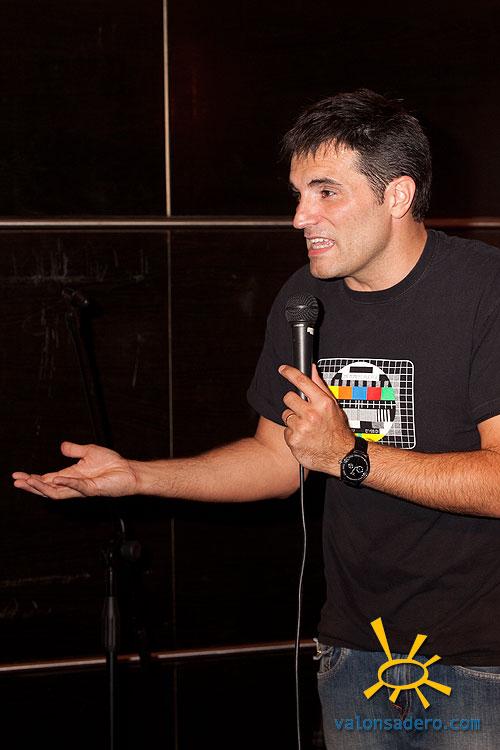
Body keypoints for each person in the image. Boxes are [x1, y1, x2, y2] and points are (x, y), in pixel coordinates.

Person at [13, 89, 500, 748]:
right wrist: (138, 476)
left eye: (326, 193)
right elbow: (277, 459)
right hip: (357, 651)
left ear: (397, 195)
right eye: (298, 195)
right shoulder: (305, 297)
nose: (300, 217)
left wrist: (350, 457)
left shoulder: (485, 292)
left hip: (480, 658)